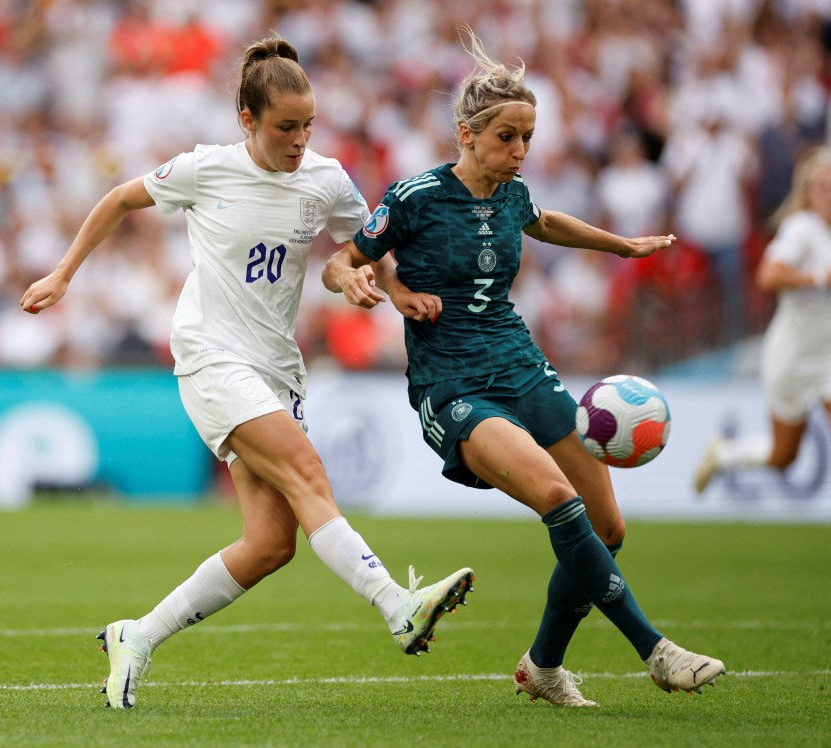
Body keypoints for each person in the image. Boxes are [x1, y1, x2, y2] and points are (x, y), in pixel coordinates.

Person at [20, 35, 474, 710]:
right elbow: (118, 199)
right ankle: (397, 604)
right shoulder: (207, 170)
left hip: (275, 369)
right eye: (285, 127)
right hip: (210, 355)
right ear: (247, 120)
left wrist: (383, 285)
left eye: (307, 126)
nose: (299, 140)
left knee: (269, 544)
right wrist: (63, 273)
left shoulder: (324, 180)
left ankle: (135, 636)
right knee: (308, 472)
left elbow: (366, 246)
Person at [323, 28, 726, 707]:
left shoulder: (512, 193)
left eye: (527, 138)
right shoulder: (417, 197)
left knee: (607, 527)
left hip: (519, 363)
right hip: (452, 383)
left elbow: (546, 221)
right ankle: (656, 651)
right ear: (467, 134)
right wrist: (370, 286)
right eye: (507, 137)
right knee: (556, 498)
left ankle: (542, 666)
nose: (519, 152)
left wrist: (620, 246)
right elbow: (342, 260)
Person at [694, 145, 831, 493]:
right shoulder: (802, 229)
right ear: (808, 193)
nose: (828, 195)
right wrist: (818, 277)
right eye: (822, 187)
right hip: (794, 358)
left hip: (827, 357)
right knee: (783, 456)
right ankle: (725, 455)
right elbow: (768, 277)